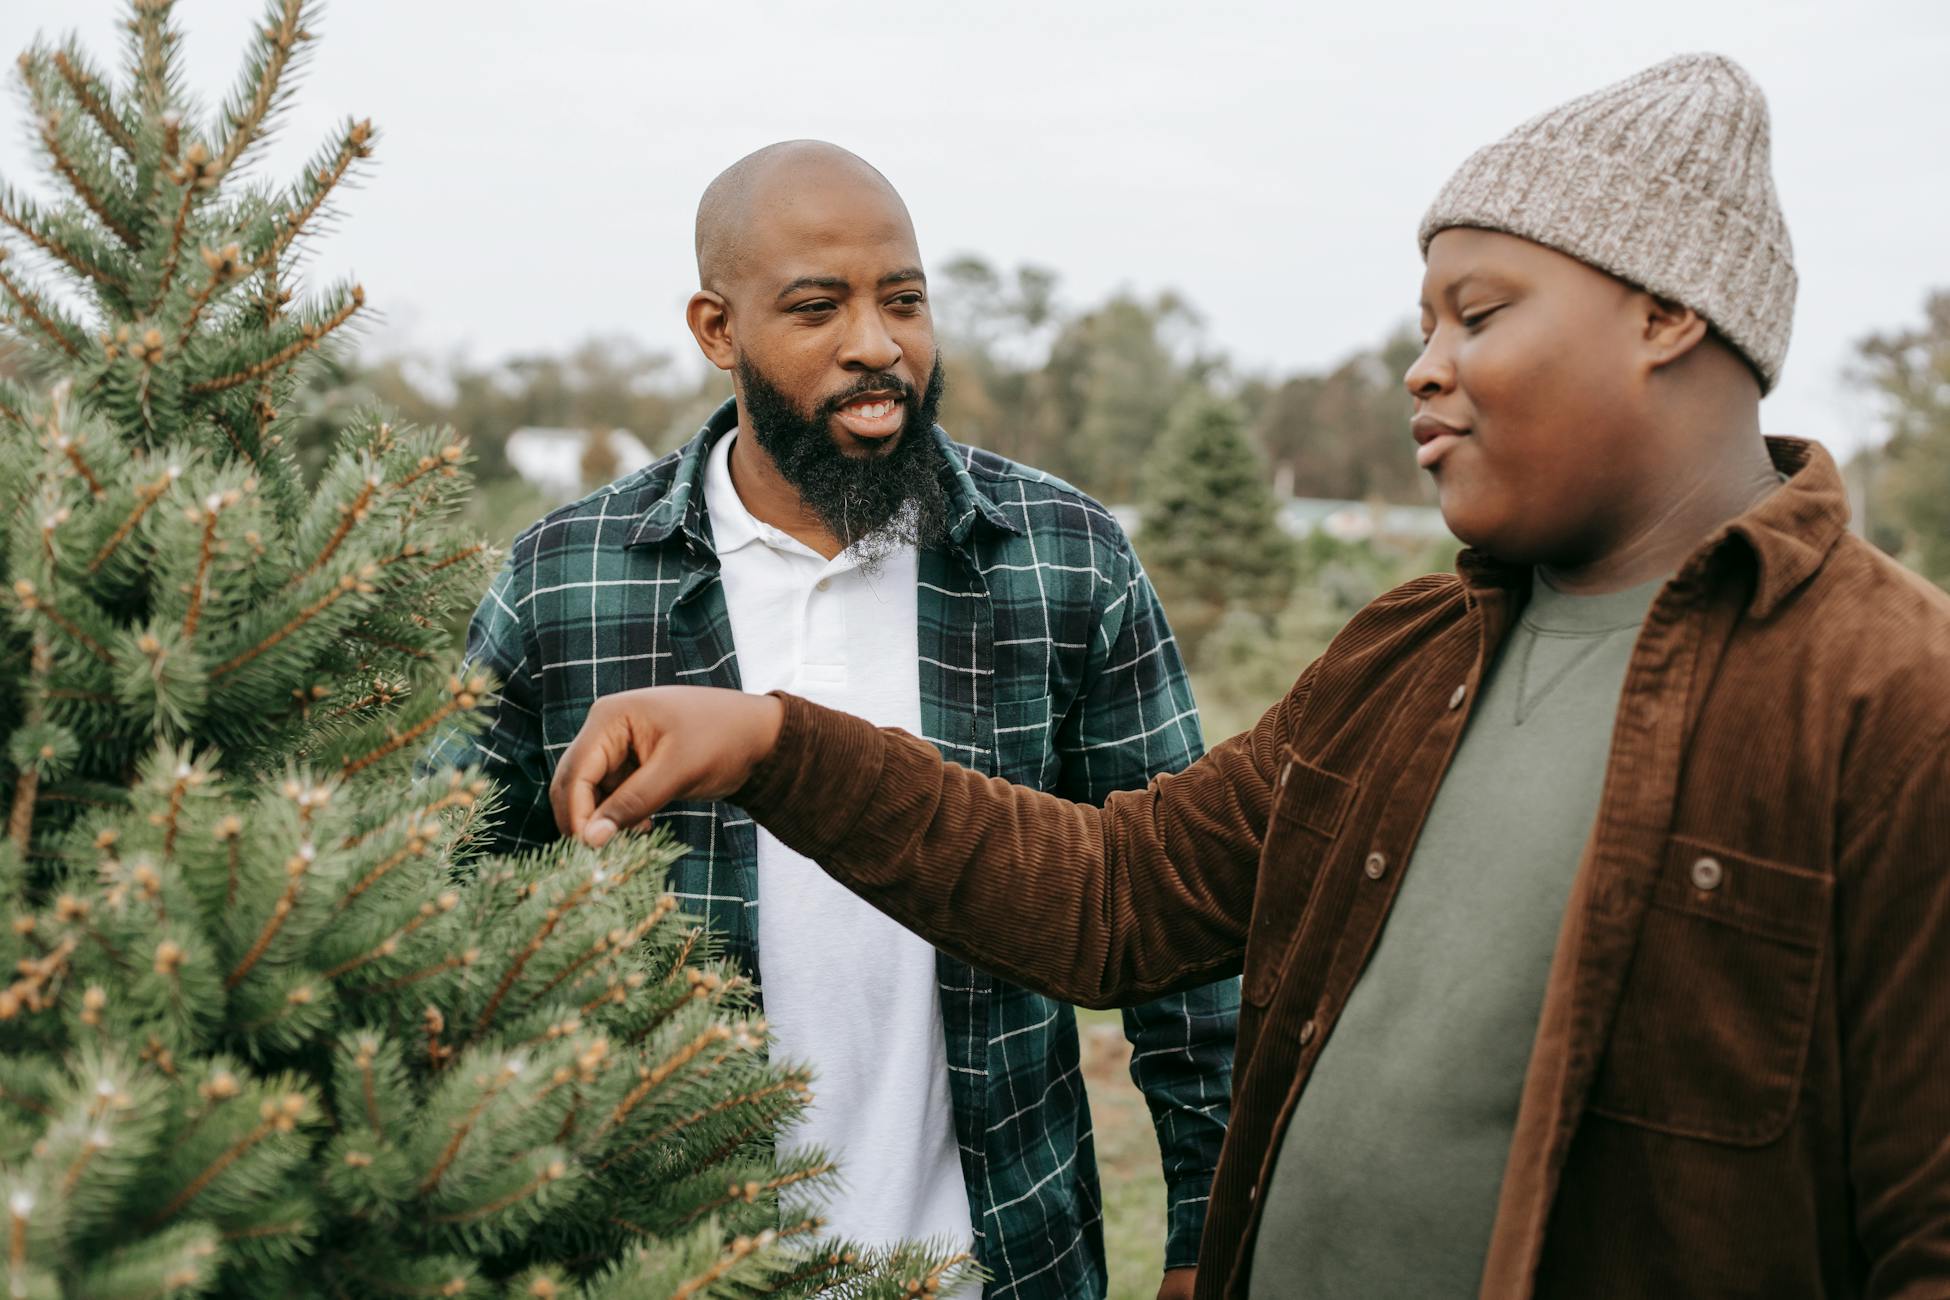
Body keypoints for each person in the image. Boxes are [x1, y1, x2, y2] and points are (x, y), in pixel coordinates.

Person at [546, 57, 1950, 1299]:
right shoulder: (1406, 662)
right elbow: (1114, 896)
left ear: (1662, 319)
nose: (1422, 369)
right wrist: (777, 747)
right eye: (1424, 324)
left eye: (1476, 315)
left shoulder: (1889, 701)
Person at [433, 140, 1237, 1299]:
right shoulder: (567, 581)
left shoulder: (1064, 559)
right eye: (819, 308)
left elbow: (1190, 929)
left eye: (903, 300)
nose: (878, 343)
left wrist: (1204, 1237)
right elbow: (446, 919)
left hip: (998, 1265)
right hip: (673, 1269)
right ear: (717, 330)